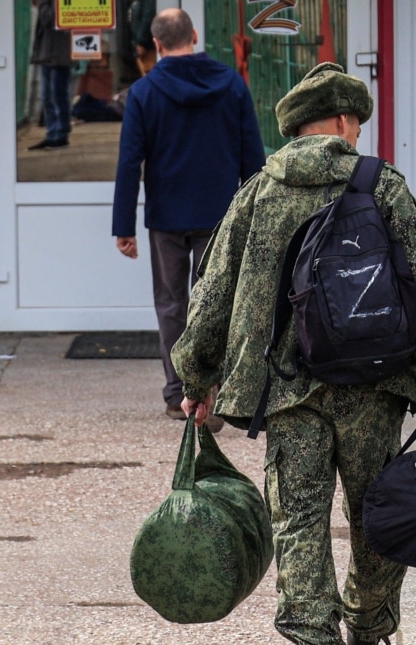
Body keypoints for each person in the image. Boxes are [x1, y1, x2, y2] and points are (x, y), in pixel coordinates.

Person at [171, 63, 416, 645]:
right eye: (354, 121)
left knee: (299, 519)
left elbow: (215, 291)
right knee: (378, 512)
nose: (356, 131)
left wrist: (198, 379)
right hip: (375, 384)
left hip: (289, 393)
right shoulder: (383, 186)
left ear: (294, 128)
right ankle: (367, 622)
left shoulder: (258, 190)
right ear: (341, 120)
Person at [111, 8, 265, 426]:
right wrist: (254, 215)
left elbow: (129, 163)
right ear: (195, 35)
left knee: (171, 304)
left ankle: (178, 391)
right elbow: (253, 155)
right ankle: (211, 391)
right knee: (217, 304)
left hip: (166, 216)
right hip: (220, 215)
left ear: (157, 45)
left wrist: (123, 226)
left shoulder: (144, 92)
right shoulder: (230, 84)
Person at [28, 0, 73, 150]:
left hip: (58, 53)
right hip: (48, 53)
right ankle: (53, 133)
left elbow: (50, 18)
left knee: (57, 95)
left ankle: (60, 134)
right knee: (48, 96)